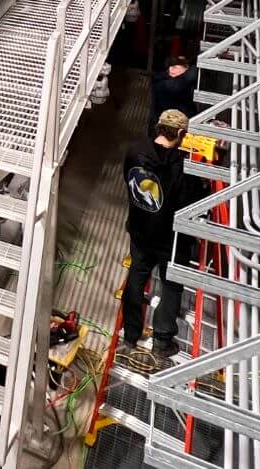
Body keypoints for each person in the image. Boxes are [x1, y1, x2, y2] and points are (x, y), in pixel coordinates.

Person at [117, 108, 194, 365]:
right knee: (171, 285)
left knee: (137, 278)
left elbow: (129, 181)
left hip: (140, 230)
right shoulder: (181, 166)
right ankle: (162, 341)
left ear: (158, 127)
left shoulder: (134, 151)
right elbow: (188, 203)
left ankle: (130, 336)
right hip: (169, 239)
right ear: (181, 133)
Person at [150, 54, 198, 132]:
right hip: (165, 129)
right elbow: (191, 75)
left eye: (175, 67)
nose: (170, 69)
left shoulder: (180, 82)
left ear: (186, 69)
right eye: (169, 66)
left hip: (173, 126)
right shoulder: (164, 83)